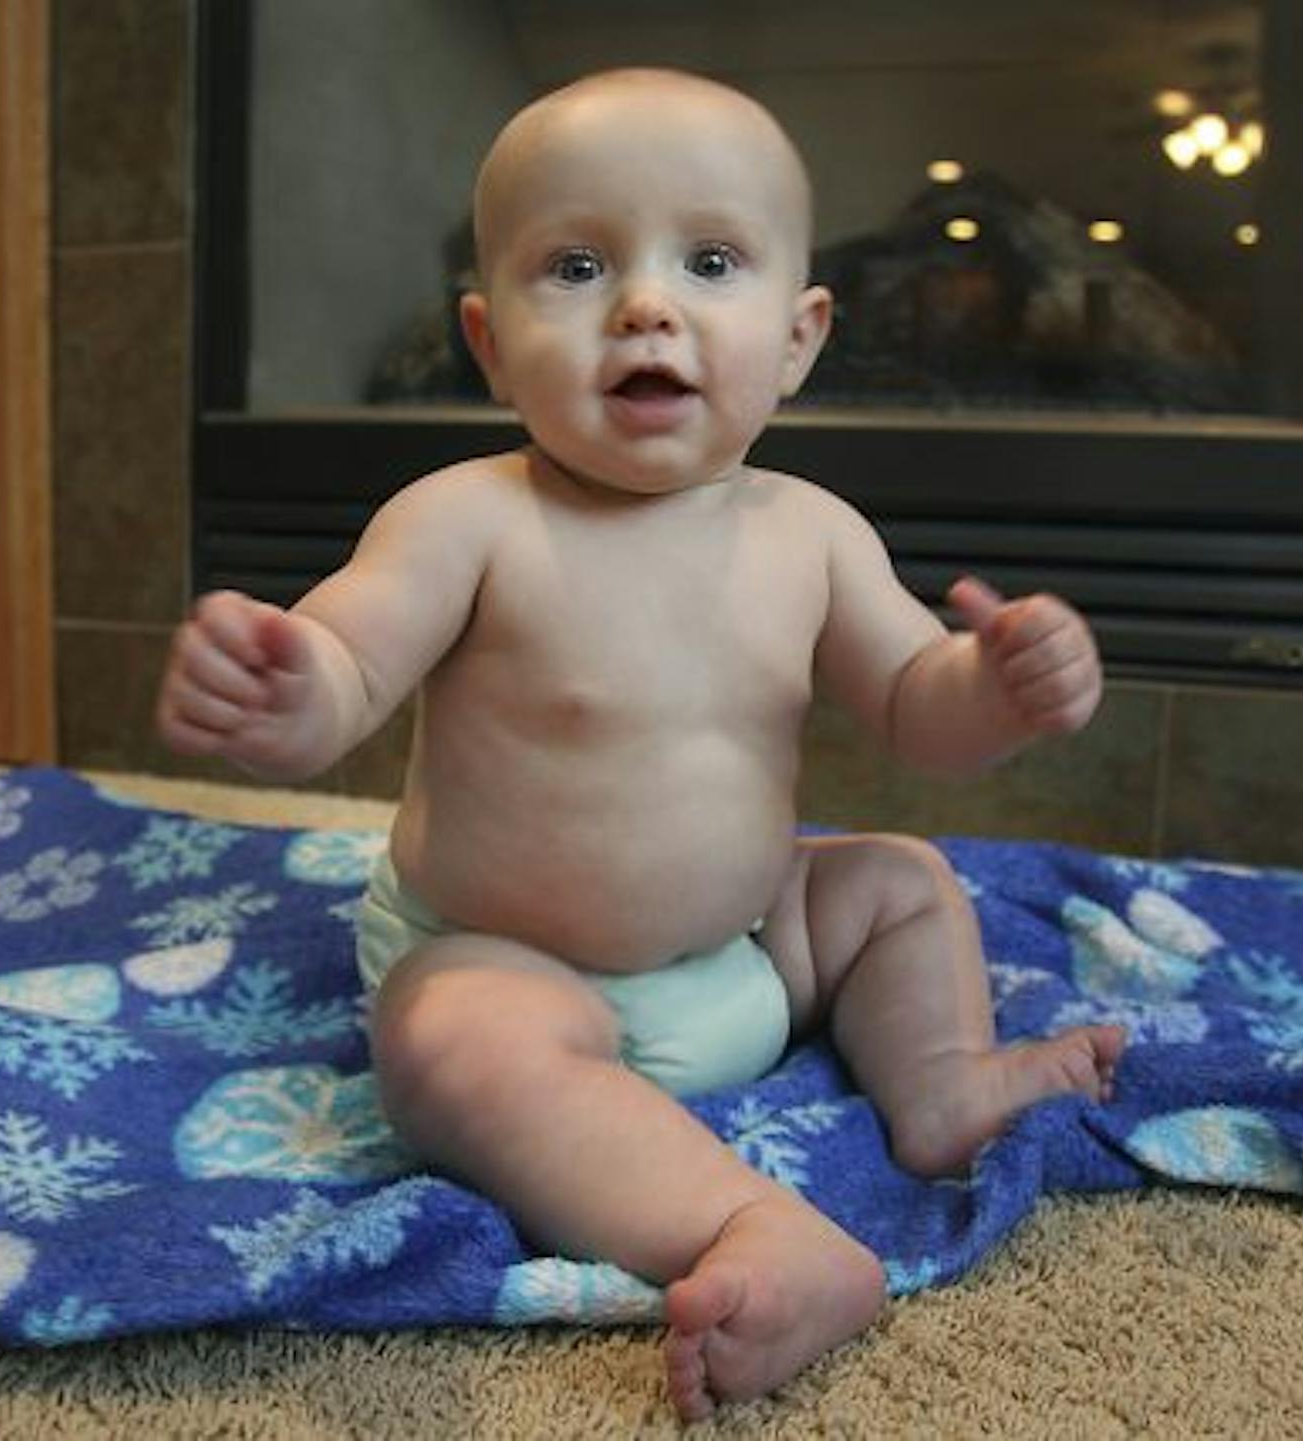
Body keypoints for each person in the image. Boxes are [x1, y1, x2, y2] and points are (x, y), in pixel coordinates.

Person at [157, 68, 1124, 1421]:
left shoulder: (814, 535)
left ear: (798, 339)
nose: (646, 306)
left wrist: (1000, 686)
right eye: (578, 267)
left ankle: (945, 1088)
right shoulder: (467, 518)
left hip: (743, 956)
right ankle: (748, 1226)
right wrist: (283, 689)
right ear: (491, 343)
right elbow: (349, 659)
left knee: (900, 878)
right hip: (510, 961)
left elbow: (919, 704)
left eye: (709, 262)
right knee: (442, 1037)